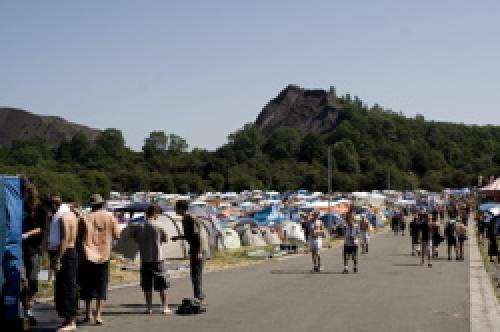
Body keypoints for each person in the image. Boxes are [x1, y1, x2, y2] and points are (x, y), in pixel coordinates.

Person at [78, 194, 120, 325]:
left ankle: (88, 313)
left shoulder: (84, 218)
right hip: (104, 255)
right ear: (102, 204)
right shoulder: (110, 217)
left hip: (87, 255)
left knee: (87, 285)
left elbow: (78, 237)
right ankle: (98, 315)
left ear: (91, 204)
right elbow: (117, 236)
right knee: (101, 285)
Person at [131, 205, 171, 314]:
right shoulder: (159, 225)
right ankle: (165, 307)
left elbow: (134, 238)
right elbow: (165, 239)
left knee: (147, 285)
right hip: (158, 258)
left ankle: (149, 307)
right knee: (162, 284)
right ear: (154, 213)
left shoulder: (139, 226)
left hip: (145, 258)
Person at [49, 195, 78, 331]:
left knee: (66, 288)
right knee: (65, 287)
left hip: (66, 253)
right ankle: (68, 319)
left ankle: (71, 321)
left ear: (55, 205)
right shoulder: (70, 214)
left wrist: (58, 258)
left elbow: (65, 238)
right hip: (69, 253)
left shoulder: (64, 217)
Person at [21, 183, 47, 326]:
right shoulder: (23, 207)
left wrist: (27, 234)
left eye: (26, 195)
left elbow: (42, 228)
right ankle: (26, 313)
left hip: (34, 248)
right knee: (23, 281)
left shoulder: (40, 209)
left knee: (33, 282)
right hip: (22, 248)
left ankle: (28, 310)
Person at [172, 200, 207, 303]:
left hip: (199, 248)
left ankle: (199, 297)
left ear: (181, 208)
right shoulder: (185, 219)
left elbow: (198, 235)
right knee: (194, 274)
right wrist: (178, 237)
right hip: (194, 248)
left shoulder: (190, 218)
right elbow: (190, 235)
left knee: (196, 273)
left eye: (176, 208)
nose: (175, 210)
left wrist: (199, 252)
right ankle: (198, 296)